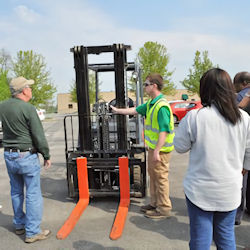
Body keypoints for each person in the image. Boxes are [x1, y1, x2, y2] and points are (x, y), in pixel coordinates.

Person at [174, 68, 250, 250]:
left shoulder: (196, 117)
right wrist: (242, 169)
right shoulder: (243, 118)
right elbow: (249, 153)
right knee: (225, 237)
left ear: (205, 89)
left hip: (200, 190)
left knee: (201, 239)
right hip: (230, 189)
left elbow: (180, 146)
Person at [111, 73, 175, 219]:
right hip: (154, 148)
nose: (144, 87)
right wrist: (117, 111)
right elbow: (135, 110)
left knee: (161, 178)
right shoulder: (151, 103)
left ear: (154, 86)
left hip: (161, 150)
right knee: (153, 177)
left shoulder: (161, 106)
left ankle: (164, 208)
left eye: (146, 84)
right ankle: (154, 203)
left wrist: (157, 151)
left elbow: (164, 131)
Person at [0, 76, 52, 243]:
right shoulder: (28, 108)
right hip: (26, 155)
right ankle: (32, 232)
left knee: (16, 191)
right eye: (29, 87)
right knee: (33, 193)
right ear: (23, 91)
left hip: (9, 154)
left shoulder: (2, 106)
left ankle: (19, 224)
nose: (31, 90)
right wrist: (46, 154)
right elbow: (38, 135)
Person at [233, 72, 250, 225]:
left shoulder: (240, 98)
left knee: (241, 183)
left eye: (235, 83)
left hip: (242, 147)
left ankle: (236, 215)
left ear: (244, 83)